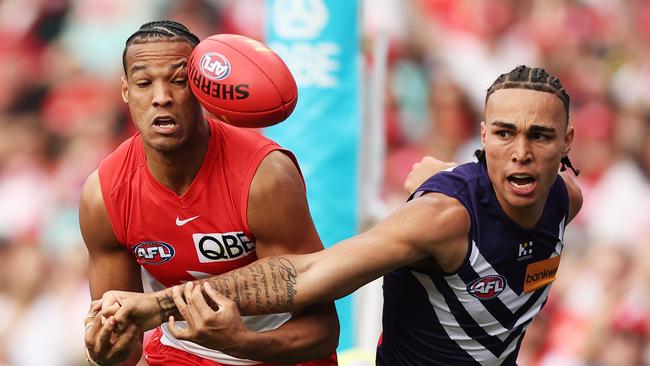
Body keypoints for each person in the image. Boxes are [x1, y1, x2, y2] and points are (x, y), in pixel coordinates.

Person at [100, 65, 583, 365]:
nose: (520, 152)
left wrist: (448, 172)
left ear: (566, 143)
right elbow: (310, 272)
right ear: (483, 137)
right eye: (503, 134)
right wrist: (162, 306)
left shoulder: (566, 199)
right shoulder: (443, 219)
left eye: (539, 136)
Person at [80, 20, 339, 366]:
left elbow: (323, 332)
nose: (161, 98)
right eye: (144, 83)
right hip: (181, 354)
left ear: (203, 88)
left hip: (277, 354)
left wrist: (243, 343)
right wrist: (105, 352)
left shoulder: (264, 175)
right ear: (126, 91)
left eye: (178, 81)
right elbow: (125, 351)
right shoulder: (104, 195)